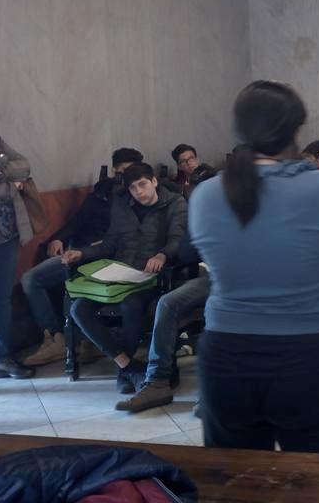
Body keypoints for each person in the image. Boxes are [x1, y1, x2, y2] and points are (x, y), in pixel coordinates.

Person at [189, 81, 319, 453]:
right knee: (318, 479)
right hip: (308, 355)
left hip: (227, 353)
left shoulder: (204, 194)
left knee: (236, 481)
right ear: (294, 132)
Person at [63, 163, 188, 393]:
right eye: (133, 188)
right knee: (78, 309)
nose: (139, 192)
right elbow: (110, 243)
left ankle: (127, 370)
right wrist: (81, 252)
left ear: (154, 182)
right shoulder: (122, 206)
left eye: (143, 185)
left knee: (130, 305)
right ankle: (127, 366)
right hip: (118, 274)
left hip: (150, 278)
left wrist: (162, 254)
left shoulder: (174, 203)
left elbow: (177, 239)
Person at [22, 147, 144, 367]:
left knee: (40, 281)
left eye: (130, 172)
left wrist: (95, 247)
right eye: (121, 172)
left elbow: (128, 237)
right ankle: (57, 337)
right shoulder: (101, 193)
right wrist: (58, 238)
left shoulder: (136, 197)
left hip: (101, 255)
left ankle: (71, 339)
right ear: (114, 170)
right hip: (78, 250)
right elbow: (77, 222)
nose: (126, 178)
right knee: (31, 278)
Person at [116, 173, 215, 413]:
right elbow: (187, 252)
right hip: (214, 276)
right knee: (168, 303)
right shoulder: (212, 211)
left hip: (251, 281)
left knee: (218, 310)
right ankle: (157, 381)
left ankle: (213, 394)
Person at [0, 137, 37, 379]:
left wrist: (2, 169)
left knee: (2, 299)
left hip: (7, 237)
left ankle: (2, 356)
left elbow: (24, 165)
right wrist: (9, 181)